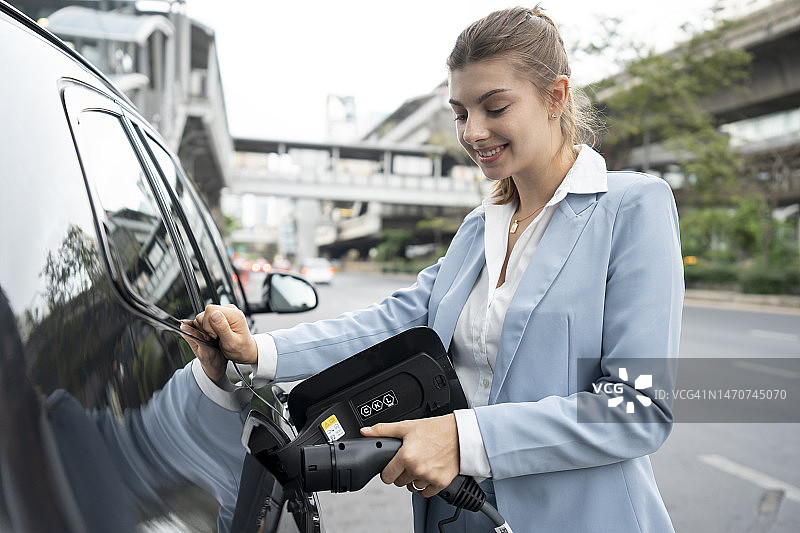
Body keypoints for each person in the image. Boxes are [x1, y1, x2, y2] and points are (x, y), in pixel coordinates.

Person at [190, 5, 684, 532]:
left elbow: (639, 407)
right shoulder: (481, 228)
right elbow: (391, 324)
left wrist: (463, 437)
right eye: (460, 112)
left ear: (556, 97)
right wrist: (259, 351)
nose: (473, 132)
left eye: (494, 107)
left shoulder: (632, 207)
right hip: (455, 518)